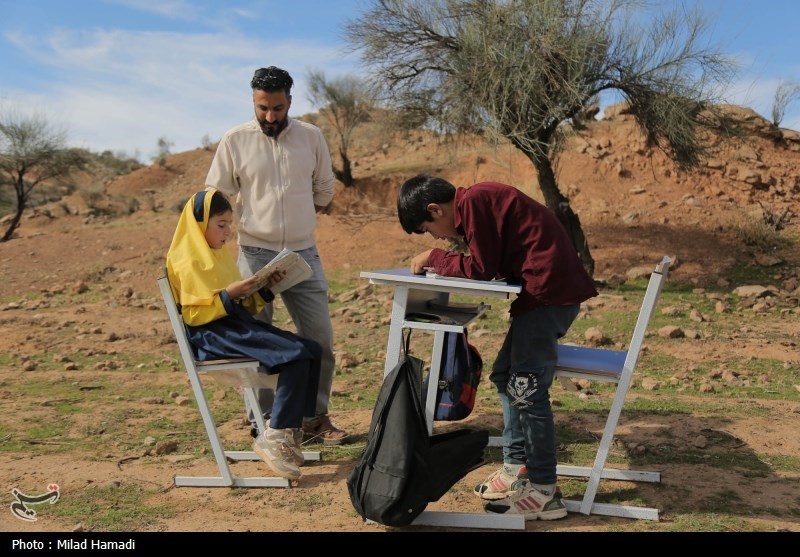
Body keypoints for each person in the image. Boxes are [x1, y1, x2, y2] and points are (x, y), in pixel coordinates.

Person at [396, 174, 598, 521]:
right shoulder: (476, 202)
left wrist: (435, 256)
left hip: (548, 298)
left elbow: (480, 268)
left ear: (435, 209)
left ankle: (545, 490)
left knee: (527, 390)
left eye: (429, 229)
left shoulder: (474, 202)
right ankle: (516, 467)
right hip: (542, 298)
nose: (437, 237)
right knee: (506, 375)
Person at [205, 65, 349, 445]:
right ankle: (266, 421)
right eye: (263, 108)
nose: (270, 116)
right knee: (258, 341)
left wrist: (298, 216)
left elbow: (323, 189)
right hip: (254, 255)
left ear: (290, 101)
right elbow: (215, 196)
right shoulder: (235, 140)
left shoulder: (311, 137)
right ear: (253, 101)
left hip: (303, 254)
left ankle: (315, 419)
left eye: (278, 108)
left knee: (319, 339)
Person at [166, 188, 322, 481]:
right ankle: (273, 437)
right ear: (200, 224)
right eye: (220, 225)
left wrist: (264, 287)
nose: (228, 232)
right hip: (211, 337)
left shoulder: (220, 256)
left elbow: (241, 307)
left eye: (229, 224)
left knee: (311, 350)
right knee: (295, 357)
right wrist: (228, 295)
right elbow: (194, 315)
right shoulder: (186, 259)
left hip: (234, 327)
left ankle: (289, 433)